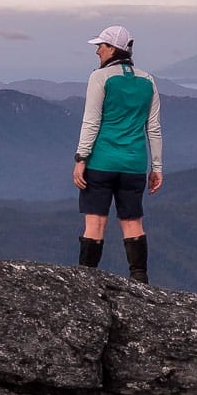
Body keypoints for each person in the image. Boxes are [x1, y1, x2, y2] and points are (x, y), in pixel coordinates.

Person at [72, 24, 163, 282]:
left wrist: (80, 158)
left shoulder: (99, 78)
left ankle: (86, 282)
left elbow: (91, 122)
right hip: (134, 164)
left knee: (95, 224)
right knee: (133, 223)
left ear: (114, 48)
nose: (97, 50)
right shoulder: (148, 81)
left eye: (101, 45)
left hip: (101, 162)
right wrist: (157, 167)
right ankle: (140, 280)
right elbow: (153, 128)